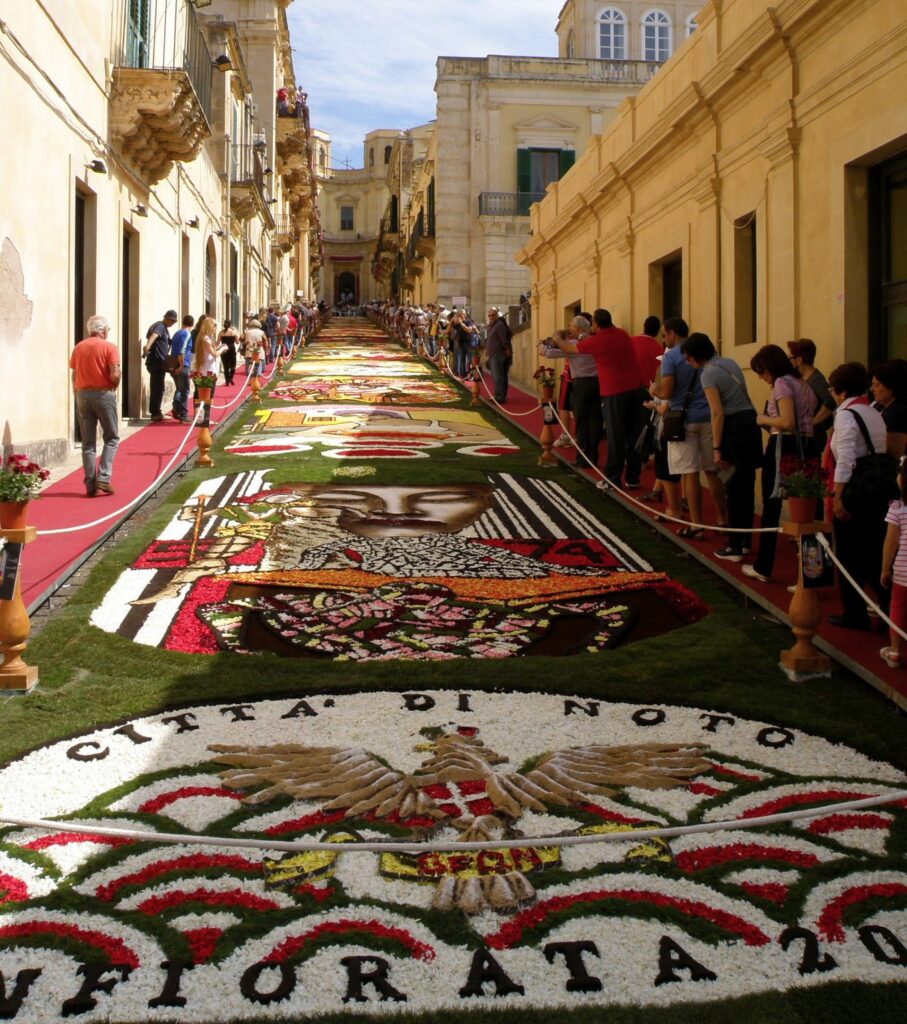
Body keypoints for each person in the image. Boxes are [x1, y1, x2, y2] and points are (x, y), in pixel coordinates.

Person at [742, 344, 818, 584]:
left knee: (771, 507)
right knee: (808, 513)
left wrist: (762, 418)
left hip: (782, 446)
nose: (761, 377)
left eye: (762, 372)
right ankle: (812, 575)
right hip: (807, 445)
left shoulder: (782, 383)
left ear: (770, 367)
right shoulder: (803, 384)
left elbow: (787, 422)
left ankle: (764, 566)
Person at [684, 333, 763, 561]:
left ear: (696, 355)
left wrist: (717, 447)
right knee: (746, 487)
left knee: (734, 488)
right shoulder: (729, 362)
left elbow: (717, 412)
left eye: (688, 357)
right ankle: (745, 542)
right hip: (750, 423)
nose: (688, 362)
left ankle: (735, 546)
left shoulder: (708, 373)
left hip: (733, 428)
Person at [827, 361, 889, 629]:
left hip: (856, 488)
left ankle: (855, 613)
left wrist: (838, 495)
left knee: (850, 554)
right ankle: (888, 611)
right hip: (878, 486)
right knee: (875, 551)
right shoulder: (873, 411)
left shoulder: (845, 414)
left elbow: (845, 458)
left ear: (840, 390)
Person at [554, 309, 646, 488]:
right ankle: (633, 478)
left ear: (596, 324)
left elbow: (570, 348)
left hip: (614, 391)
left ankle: (613, 478)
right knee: (634, 435)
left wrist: (557, 338)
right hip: (636, 388)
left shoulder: (598, 340)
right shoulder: (622, 334)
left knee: (615, 435)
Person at [660, 317, 728, 534]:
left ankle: (696, 524)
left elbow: (667, 391)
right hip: (709, 416)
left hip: (684, 420)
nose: (664, 339)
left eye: (664, 334)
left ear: (672, 333)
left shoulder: (671, 357)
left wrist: (653, 389)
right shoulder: (707, 353)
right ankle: (722, 519)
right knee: (712, 471)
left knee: (690, 473)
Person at [69, 315, 120, 497]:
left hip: (83, 394)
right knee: (111, 437)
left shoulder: (78, 347)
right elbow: (115, 373)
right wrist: (114, 386)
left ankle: (90, 484)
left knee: (88, 443)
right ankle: (104, 477)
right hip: (103, 393)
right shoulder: (109, 347)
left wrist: (77, 392)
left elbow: (75, 373)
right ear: (103, 330)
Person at [540, 318, 602, 466]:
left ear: (579, 329)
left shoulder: (574, 344)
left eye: (571, 327)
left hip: (581, 384)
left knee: (582, 421)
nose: (569, 329)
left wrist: (540, 343)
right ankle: (593, 457)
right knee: (595, 421)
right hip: (597, 383)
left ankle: (582, 459)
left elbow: (548, 353)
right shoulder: (595, 340)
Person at [787, 339, 835, 457]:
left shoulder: (816, 380)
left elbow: (831, 400)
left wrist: (814, 421)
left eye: (790, 358)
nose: (789, 362)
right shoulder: (804, 379)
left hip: (814, 438)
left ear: (799, 360)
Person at [881, 456, 907, 668]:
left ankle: (896, 651)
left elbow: (890, 542)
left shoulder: (898, 508)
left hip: (902, 571)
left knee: (898, 607)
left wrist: (884, 568)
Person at [143, 309, 177, 421]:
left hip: (159, 363)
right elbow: (154, 335)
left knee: (157, 387)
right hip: (156, 362)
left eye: (174, 322)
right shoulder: (160, 326)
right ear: (166, 318)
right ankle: (156, 413)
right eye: (171, 321)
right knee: (157, 388)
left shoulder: (164, 328)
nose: (172, 323)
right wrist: (148, 346)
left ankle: (156, 411)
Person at [191, 316, 225, 427]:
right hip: (206, 371)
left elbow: (211, 350)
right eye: (214, 325)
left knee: (202, 395)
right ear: (209, 326)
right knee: (206, 395)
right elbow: (214, 354)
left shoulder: (206, 338)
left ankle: (201, 418)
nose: (216, 327)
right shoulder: (205, 339)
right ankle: (203, 418)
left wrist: (219, 345)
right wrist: (223, 349)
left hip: (207, 369)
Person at [870, 359, 907, 459]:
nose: (871, 389)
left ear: (891, 387)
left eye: (877, 385)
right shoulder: (878, 406)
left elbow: (893, 453)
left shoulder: (898, 412)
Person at [169, 315, 194, 423]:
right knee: (185, 390)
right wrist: (181, 365)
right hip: (182, 364)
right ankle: (183, 414)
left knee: (179, 388)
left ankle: (176, 409)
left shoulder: (177, 333)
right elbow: (182, 350)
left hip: (174, 363)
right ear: (192, 324)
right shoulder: (186, 334)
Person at [485, 307, 512, 403]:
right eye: (489, 316)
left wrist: (506, 349)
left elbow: (503, 339)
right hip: (494, 354)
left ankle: (499, 397)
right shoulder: (493, 325)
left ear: (497, 315)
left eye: (493, 315)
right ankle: (500, 395)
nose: (491, 317)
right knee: (500, 376)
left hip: (498, 354)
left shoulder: (499, 325)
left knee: (498, 376)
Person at [632, 315, 663, 388]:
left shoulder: (630, 342)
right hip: (650, 389)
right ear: (658, 331)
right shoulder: (660, 350)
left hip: (630, 387)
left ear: (644, 326)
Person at [218, 319, 238, 386]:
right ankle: (230, 378)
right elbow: (237, 342)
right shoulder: (233, 332)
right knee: (233, 365)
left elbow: (217, 342)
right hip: (231, 349)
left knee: (225, 366)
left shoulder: (221, 332)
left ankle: (227, 381)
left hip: (224, 349)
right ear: (231, 325)